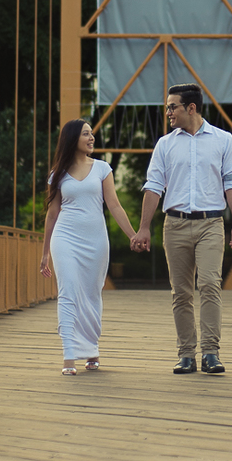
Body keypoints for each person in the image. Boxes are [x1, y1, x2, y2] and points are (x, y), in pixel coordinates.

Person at [130, 83, 232, 374]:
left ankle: (211, 353)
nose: (167, 112)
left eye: (172, 106)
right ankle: (186, 355)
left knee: (209, 285)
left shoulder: (223, 140)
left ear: (190, 108)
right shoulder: (165, 144)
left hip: (211, 223)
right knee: (180, 292)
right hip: (175, 225)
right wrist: (144, 228)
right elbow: (154, 186)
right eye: (167, 106)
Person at [40, 119, 138, 375]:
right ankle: (69, 357)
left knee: (92, 295)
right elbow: (52, 214)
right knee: (68, 291)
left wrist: (133, 235)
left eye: (92, 133)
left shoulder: (103, 169)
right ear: (73, 139)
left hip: (95, 241)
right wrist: (44, 253)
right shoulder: (57, 174)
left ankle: (92, 349)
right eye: (86, 134)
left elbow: (114, 205)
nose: (92, 137)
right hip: (65, 238)